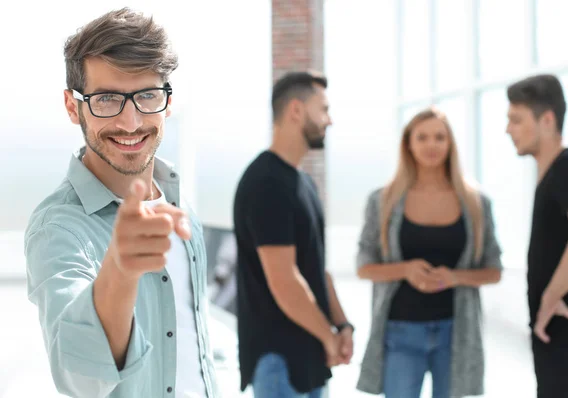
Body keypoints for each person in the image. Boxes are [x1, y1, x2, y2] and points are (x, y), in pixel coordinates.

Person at [24, 8, 217, 397]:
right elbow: (78, 378)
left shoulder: (180, 210)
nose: (130, 123)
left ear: (167, 101)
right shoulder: (59, 229)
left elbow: (194, 348)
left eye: (146, 95)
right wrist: (120, 272)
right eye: (108, 99)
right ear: (71, 105)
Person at [355, 108, 503, 398]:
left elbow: (494, 270)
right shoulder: (383, 201)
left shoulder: (476, 203)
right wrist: (405, 270)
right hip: (400, 331)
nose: (431, 145)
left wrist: (455, 277)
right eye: (422, 137)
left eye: (439, 137)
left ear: (450, 144)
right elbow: (364, 265)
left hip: (456, 333)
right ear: (408, 144)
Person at [233, 71, 353, 398]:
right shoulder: (266, 182)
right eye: (323, 109)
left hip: (310, 358)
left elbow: (317, 267)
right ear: (296, 111)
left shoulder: (303, 183)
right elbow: (285, 281)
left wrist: (342, 326)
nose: (329, 120)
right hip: (279, 363)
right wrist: (329, 336)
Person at [506, 74, 568, 398]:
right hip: (558, 332)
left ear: (547, 120)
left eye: (516, 120)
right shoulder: (554, 172)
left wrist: (549, 298)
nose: (508, 130)